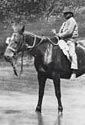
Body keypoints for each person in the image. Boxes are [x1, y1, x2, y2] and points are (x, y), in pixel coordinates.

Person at [52, 7, 79, 79]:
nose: (64, 15)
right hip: (63, 40)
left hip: (70, 40)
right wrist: (56, 34)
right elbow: (61, 32)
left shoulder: (72, 21)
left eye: (66, 13)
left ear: (70, 14)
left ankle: (74, 71)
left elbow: (69, 32)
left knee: (72, 53)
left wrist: (59, 35)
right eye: (64, 13)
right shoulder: (64, 23)